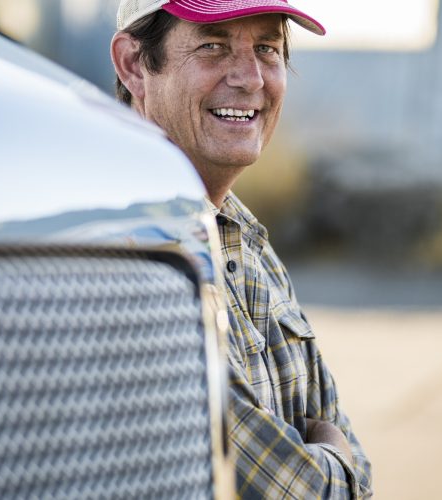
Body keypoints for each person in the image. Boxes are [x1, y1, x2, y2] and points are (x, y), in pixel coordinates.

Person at [111, 1, 373, 497]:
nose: (251, 78)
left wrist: (332, 465)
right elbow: (303, 491)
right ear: (134, 64)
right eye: (213, 45)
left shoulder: (243, 237)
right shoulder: (124, 251)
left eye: (267, 49)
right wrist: (335, 463)